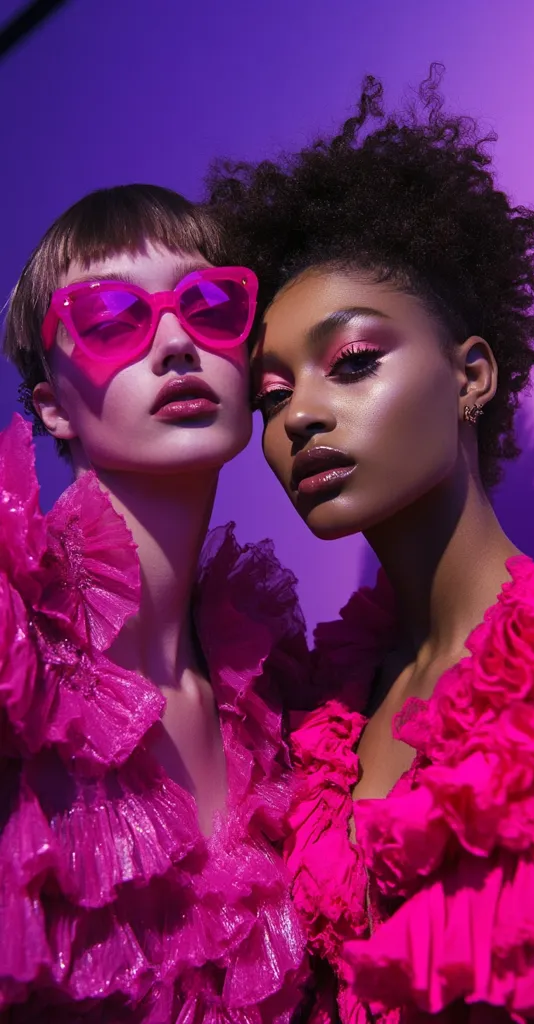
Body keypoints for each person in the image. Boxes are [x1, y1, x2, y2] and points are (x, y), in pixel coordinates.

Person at [206, 70, 534, 1023]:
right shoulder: (311, 723)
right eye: (273, 393)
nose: (302, 418)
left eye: (353, 362)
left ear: (472, 377)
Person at [0, 183, 310, 1022]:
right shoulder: (8, 642)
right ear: (51, 407)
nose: (177, 342)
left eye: (210, 307)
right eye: (108, 319)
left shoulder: (274, 695)